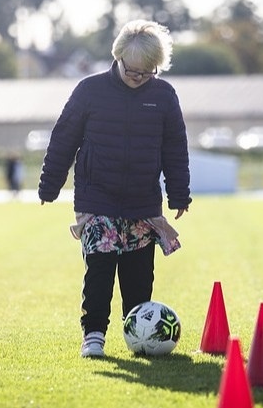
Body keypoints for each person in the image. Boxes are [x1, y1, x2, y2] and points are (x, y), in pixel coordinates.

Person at [38, 19, 191, 358]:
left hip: (142, 201)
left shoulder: (164, 96)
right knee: (100, 269)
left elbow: (175, 148)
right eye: (132, 71)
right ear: (118, 57)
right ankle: (93, 335)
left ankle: (140, 334)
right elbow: (64, 138)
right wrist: (50, 184)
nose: (138, 79)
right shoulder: (89, 91)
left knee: (139, 278)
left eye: (146, 73)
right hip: (97, 198)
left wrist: (179, 193)